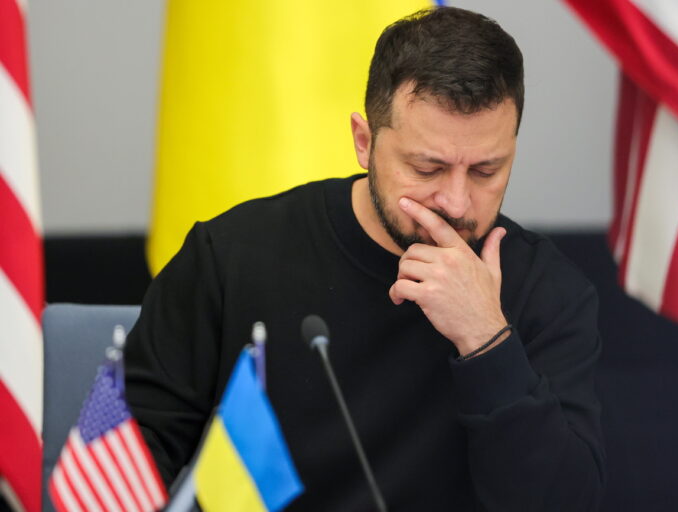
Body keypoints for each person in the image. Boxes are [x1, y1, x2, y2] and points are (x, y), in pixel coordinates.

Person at [125, 6, 606, 511]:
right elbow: (129, 462)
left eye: (487, 171)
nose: (457, 202)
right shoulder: (232, 258)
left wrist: (486, 339)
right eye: (428, 167)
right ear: (364, 141)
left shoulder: (549, 292)